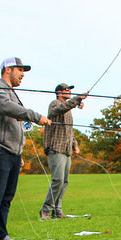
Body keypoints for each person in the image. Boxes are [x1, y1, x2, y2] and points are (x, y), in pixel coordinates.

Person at [0, 57, 51, 240]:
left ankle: (1, 236)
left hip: (11, 153)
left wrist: (18, 152)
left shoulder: (12, 93)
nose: (23, 74)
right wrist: (35, 116)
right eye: (20, 69)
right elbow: (7, 108)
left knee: (6, 197)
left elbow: (14, 117)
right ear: (7, 69)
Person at [40, 83, 87, 220]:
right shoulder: (55, 104)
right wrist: (78, 99)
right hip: (56, 148)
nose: (70, 92)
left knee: (64, 181)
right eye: (67, 90)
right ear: (59, 92)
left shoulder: (68, 109)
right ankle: (45, 210)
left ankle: (57, 211)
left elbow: (69, 130)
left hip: (66, 150)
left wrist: (75, 145)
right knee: (57, 180)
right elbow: (60, 110)